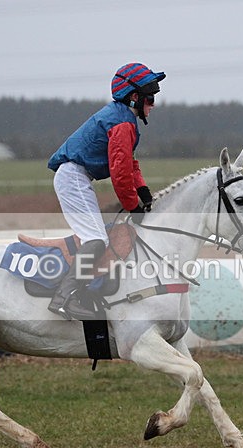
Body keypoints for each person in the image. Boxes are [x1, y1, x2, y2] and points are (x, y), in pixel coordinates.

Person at [47, 62, 165, 320]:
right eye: (151, 96)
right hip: (74, 177)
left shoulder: (123, 118)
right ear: (135, 97)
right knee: (96, 240)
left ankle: (81, 291)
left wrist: (142, 190)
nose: (153, 104)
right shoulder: (122, 123)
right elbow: (120, 174)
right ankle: (64, 299)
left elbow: (130, 165)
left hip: (77, 176)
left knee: (98, 237)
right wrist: (133, 205)